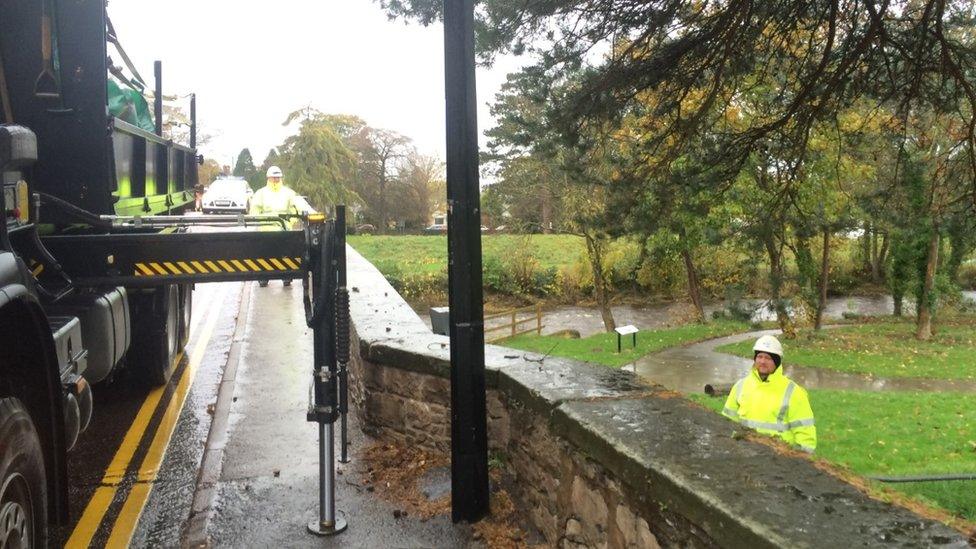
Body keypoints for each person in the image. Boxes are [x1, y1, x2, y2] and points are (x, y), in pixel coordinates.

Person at [722, 334, 817, 453]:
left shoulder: (793, 392)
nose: (762, 361)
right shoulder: (740, 386)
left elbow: (805, 433)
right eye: (759, 356)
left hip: (779, 461)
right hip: (744, 455)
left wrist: (802, 462)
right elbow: (725, 424)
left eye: (768, 358)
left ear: (776, 362)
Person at [250, 166, 299, 287]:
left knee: (286, 254)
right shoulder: (261, 193)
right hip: (266, 230)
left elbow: (294, 210)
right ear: (268, 178)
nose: (276, 180)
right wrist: (262, 223)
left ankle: (286, 276)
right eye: (273, 178)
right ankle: (263, 277)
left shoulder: (289, 193)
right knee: (264, 255)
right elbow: (254, 211)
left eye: (278, 177)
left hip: (283, 230)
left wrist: (289, 223)